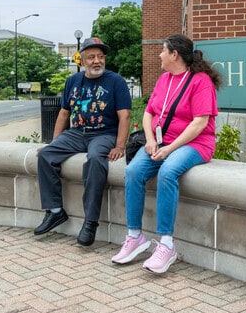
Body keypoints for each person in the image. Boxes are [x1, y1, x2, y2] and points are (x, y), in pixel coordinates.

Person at [111, 34, 223, 273]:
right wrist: (151, 140)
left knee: (168, 171)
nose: (159, 54)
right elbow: (149, 113)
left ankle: (166, 244)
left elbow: (199, 123)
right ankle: (134, 237)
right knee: (132, 171)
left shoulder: (200, 81)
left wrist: (170, 149)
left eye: (163, 50)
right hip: (161, 143)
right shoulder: (164, 79)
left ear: (175, 54)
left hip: (195, 144)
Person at [34, 37, 132, 246]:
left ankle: (90, 222)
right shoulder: (73, 81)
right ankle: (55, 211)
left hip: (104, 133)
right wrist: (54, 143)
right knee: (45, 155)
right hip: (77, 132)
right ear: (82, 61)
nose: (97, 61)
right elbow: (63, 113)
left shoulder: (116, 82)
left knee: (96, 159)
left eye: (100, 56)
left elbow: (124, 116)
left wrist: (119, 146)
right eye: (91, 57)